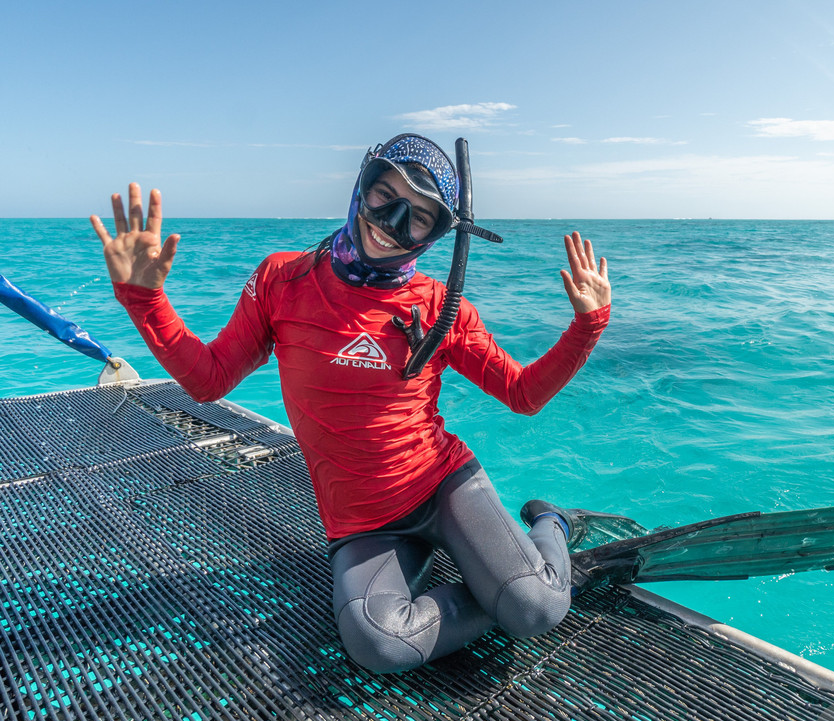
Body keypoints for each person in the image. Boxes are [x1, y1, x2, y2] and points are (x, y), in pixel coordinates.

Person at [90, 133, 611, 673]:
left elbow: (521, 394)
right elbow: (208, 380)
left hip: (443, 486)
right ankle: (490, 574)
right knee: (378, 645)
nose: (392, 224)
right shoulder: (282, 280)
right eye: (386, 196)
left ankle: (549, 523)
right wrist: (145, 298)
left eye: (419, 217)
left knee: (539, 608)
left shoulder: (440, 306)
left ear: (436, 235)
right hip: (362, 521)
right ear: (361, 187)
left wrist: (587, 324)